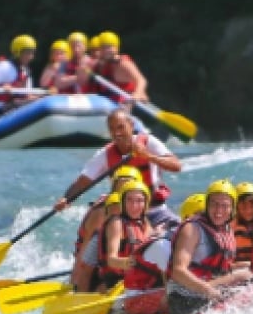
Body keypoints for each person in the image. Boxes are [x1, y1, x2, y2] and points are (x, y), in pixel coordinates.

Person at [52, 109, 181, 227]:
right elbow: (82, 183)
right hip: (124, 217)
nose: (117, 133)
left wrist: (148, 156)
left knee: (178, 231)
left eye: (121, 127)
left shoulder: (149, 142)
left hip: (155, 212)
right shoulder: (104, 154)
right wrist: (66, 199)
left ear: (131, 125)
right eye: (112, 129)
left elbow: (176, 165)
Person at [166, 180, 253, 314]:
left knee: (250, 271)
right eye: (214, 204)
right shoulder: (192, 229)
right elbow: (178, 271)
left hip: (209, 287)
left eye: (225, 206)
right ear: (207, 205)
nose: (219, 211)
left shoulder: (226, 229)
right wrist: (208, 290)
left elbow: (220, 267)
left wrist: (245, 264)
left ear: (232, 209)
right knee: (243, 275)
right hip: (185, 296)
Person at [117, 192, 206, 314]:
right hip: (135, 302)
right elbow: (175, 286)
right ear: (187, 220)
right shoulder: (164, 245)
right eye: (199, 218)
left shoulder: (192, 243)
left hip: (157, 292)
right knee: (184, 296)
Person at [71, 166, 142, 293]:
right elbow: (84, 264)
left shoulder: (140, 216)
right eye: (121, 189)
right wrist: (76, 283)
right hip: (101, 276)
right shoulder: (101, 214)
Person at [97, 179, 156, 291]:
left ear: (145, 203)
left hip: (139, 279)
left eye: (139, 201)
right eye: (129, 200)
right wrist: (133, 263)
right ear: (123, 202)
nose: (134, 205)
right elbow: (111, 260)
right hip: (117, 282)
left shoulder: (145, 224)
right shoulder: (116, 222)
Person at [88, 31, 149, 102]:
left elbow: (141, 80)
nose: (106, 50)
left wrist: (137, 95)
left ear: (116, 48)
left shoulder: (123, 63)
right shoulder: (103, 63)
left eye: (109, 47)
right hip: (115, 102)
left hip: (133, 102)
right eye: (103, 47)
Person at [0, 35, 37, 117]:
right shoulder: (4, 66)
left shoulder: (26, 72)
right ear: (18, 52)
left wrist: (39, 97)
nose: (31, 57)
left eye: (32, 53)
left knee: (35, 101)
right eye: (27, 53)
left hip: (13, 107)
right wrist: (1, 89)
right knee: (18, 103)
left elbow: (27, 95)